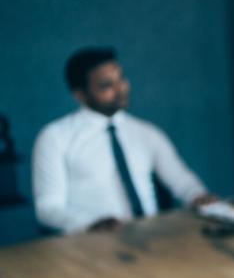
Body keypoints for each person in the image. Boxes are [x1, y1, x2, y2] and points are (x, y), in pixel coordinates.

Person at [33, 47, 214, 233]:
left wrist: (198, 196)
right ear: (80, 95)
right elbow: (48, 207)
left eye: (121, 79)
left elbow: (182, 181)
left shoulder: (147, 133)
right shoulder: (55, 137)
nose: (120, 89)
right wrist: (90, 224)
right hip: (90, 244)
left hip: (150, 238)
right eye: (106, 85)